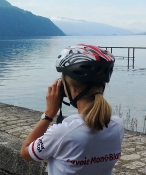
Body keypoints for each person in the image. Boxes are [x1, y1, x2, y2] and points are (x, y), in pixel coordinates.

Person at [20, 44, 124, 175]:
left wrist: (49, 114)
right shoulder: (117, 125)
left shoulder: (63, 132)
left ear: (71, 89)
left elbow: (25, 152)